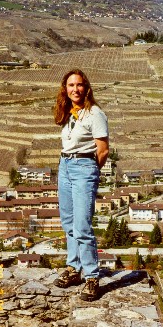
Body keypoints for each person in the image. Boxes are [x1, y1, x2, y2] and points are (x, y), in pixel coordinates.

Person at [53, 69, 109, 301]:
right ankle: (73, 268)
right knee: (68, 222)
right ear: (65, 89)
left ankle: (92, 277)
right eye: (70, 85)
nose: (75, 89)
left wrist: (90, 171)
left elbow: (103, 150)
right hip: (64, 166)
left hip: (84, 167)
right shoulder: (68, 113)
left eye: (79, 85)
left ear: (86, 88)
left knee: (82, 224)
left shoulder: (95, 113)